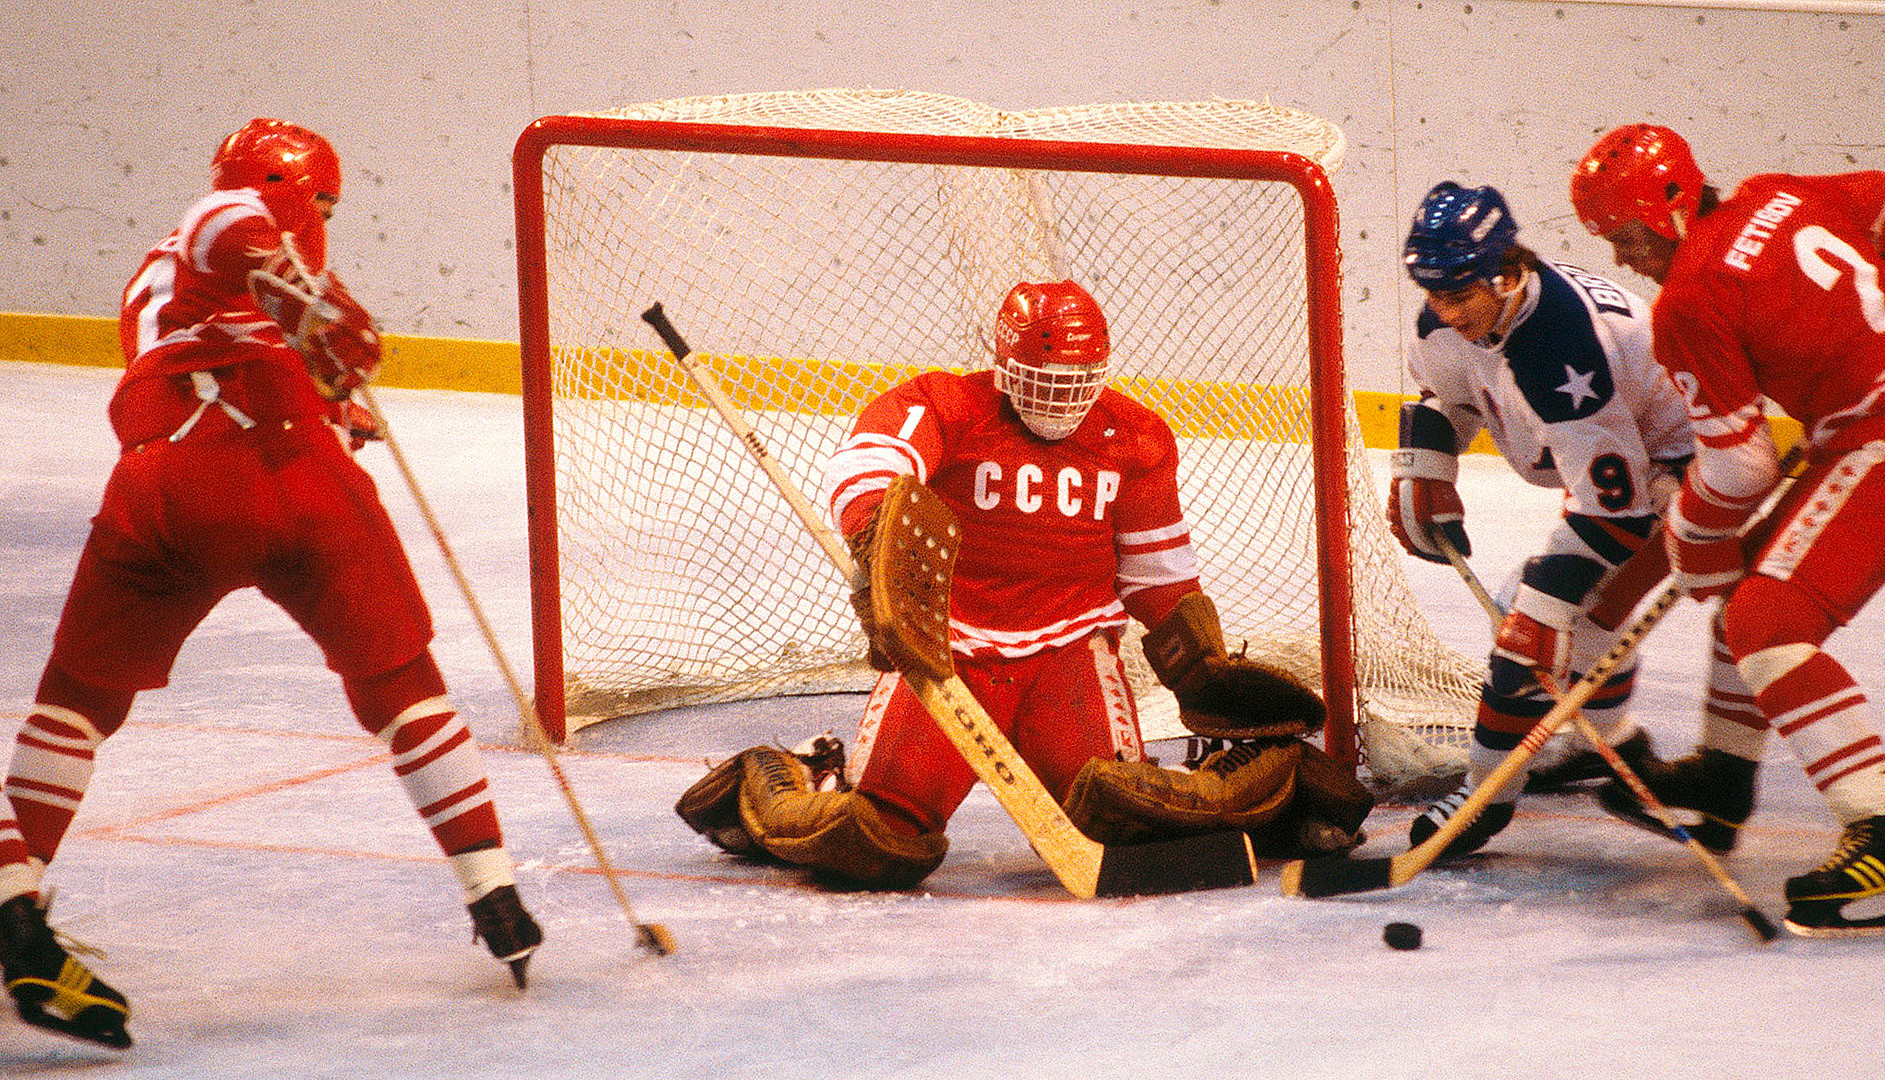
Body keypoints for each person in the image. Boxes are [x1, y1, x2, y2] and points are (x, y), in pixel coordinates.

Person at [0, 119, 542, 1049]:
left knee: (77, 700)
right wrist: (310, 294)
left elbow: (237, 333)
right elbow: (238, 233)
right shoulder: (232, 222)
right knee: (400, 679)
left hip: (171, 482)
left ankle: (16, 902)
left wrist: (336, 394)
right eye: (318, 200)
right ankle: (494, 890)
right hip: (300, 484)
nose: (320, 216)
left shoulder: (154, 279)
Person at [674, 280, 1369, 890]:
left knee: (1124, 812)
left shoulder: (1135, 435)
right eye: (1046, 382)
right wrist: (875, 532)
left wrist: (1199, 663)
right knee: (877, 843)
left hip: (1069, 655)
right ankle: (770, 781)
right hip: (947, 657)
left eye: (1080, 382)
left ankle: (1273, 780)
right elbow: (869, 463)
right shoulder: (946, 405)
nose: (1064, 402)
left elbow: (1156, 569)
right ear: (1006, 369)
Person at [1569, 124, 1885, 935]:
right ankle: (1726, 780)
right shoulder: (1782, 193)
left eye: (1628, 237)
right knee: (1758, 579)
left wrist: (1693, 542)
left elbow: (1739, 467)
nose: (1625, 258)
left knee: (1767, 616)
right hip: (1875, 425)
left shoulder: (1692, 297)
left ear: (1669, 207)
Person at [1389, 181, 1696, 858]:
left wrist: (1543, 615)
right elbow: (1451, 393)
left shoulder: (1563, 344)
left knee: (1532, 637)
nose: (1444, 310)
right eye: (1433, 292)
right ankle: (1613, 747)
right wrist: (1426, 466)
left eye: (1460, 293)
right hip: (1607, 467)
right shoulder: (1445, 319)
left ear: (1507, 272)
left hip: (1680, 478)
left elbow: (1615, 514)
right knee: (1544, 618)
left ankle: (1484, 798)